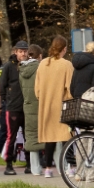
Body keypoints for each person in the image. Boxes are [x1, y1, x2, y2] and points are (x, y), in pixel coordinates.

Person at [34, 36, 74, 178]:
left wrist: (43, 97)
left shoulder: (43, 63)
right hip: (62, 104)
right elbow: (69, 88)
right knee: (66, 136)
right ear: (64, 48)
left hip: (46, 105)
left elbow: (37, 89)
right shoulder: (66, 65)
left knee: (50, 138)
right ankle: (69, 167)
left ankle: (48, 169)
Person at [0, 41, 29, 175]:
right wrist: (6, 100)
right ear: (15, 52)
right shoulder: (8, 67)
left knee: (28, 136)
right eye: (21, 51)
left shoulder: (28, 66)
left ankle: (30, 164)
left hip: (26, 106)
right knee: (12, 136)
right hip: (13, 107)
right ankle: (9, 165)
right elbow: (2, 85)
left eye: (25, 51)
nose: (23, 53)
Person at [19, 44, 45, 175]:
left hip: (28, 105)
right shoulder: (41, 68)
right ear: (39, 56)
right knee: (49, 135)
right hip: (40, 104)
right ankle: (59, 164)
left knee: (31, 135)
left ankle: (35, 169)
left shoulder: (22, 69)